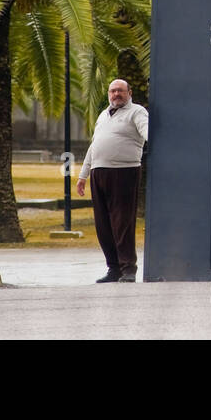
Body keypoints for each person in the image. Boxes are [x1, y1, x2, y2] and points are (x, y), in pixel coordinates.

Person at [76, 79, 148, 283]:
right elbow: (94, 144)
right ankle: (113, 268)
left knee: (122, 222)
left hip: (124, 172)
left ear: (129, 92)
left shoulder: (137, 112)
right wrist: (83, 175)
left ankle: (128, 269)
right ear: (108, 93)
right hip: (99, 173)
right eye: (113, 91)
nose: (116, 94)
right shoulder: (103, 115)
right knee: (103, 225)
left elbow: (148, 132)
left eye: (120, 91)